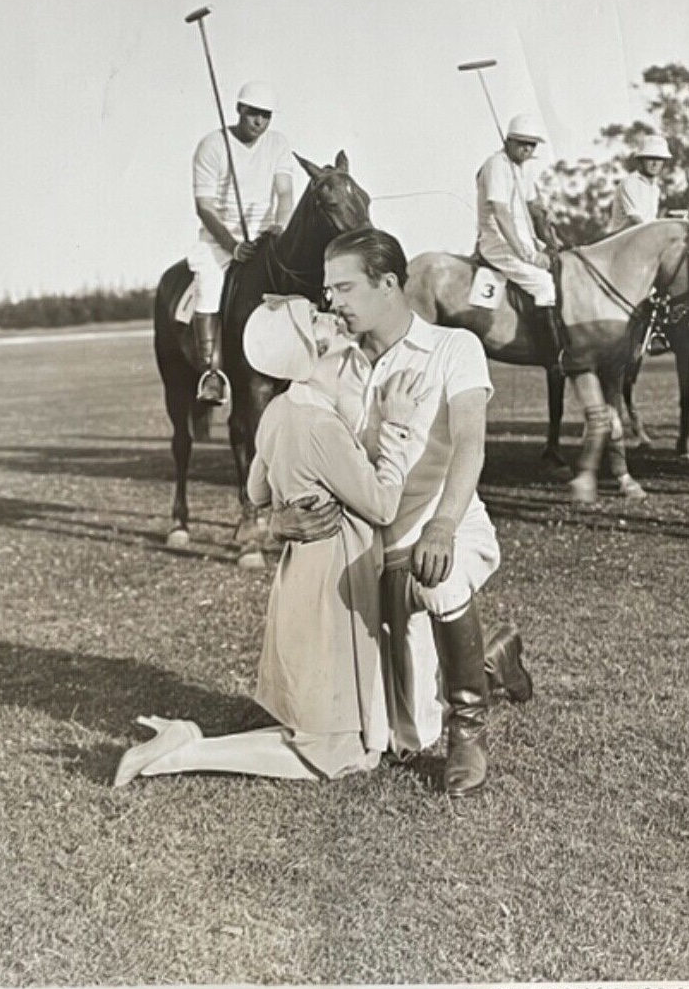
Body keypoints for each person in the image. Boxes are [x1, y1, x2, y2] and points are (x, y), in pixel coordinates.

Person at [113, 303, 431, 786]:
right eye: (320, 321)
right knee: (333, 756)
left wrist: (286, 508)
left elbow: (257, 493)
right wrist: (398, 427)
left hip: (303, 576)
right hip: (334, 584)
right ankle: (186, 751)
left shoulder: (280, 410)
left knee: (348, 744)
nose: (332, 317)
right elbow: (383, 506)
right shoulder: (320, 425)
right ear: (315, 349)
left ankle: (195, 745)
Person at [274, 228, 531, 798]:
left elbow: (470, 442)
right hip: (372, 560)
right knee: (401, 736)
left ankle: (469, 731)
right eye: (327, 290)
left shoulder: (452, 348)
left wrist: (441, 525)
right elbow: (308, 467)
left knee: (437, 580)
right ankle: (490, 660)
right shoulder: (334, 370)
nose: (332, 302)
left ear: (388, 285)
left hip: (448, 531)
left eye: (343, 287)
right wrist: (278, 521)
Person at [188, 80, 298, 404]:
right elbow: (204, 207)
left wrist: (281, 226)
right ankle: (211, 374)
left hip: (265, 236)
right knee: (208, 288)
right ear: (239, 109)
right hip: (220, 240)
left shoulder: (277, 144)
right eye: (253, 114)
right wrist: (232, 245)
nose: (259, 123)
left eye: (266, 116)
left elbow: (285, 193)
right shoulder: (212, 145)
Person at [475, 113, 567, 365]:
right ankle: (552, 352)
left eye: (532, 144)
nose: (527, 149)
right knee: (543, 284)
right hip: (497, 242)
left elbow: (532, 203)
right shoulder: (496, 165)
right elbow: (501, 214)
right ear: (509, 141)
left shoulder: (520, 169)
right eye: (522, 143)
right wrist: (528, 255)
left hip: (523, 239)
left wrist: (548, 221)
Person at [606, 134, 672, 234]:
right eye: (650, 158)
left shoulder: (655, 188)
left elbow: (651, 221)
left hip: (644, 237)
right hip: (622, 242)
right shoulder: (630, 183)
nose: (655, 163)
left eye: (659, 159)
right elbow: (635, 220)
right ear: (641, 160)